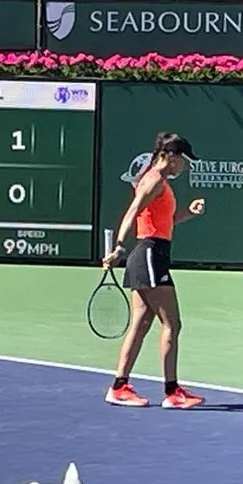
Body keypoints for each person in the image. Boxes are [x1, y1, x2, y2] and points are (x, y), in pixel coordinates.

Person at [101, 133, 207, 409]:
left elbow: (165, 221)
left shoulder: (159, 182)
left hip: (148, 255)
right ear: (169, 156)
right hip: (149, 255)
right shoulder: (154, 180)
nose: (184, 166)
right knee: (172, 323)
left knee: (141, 324)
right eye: (182, 160)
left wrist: (189, 213)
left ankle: (119, 387)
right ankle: (172, 393)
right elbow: (133, 210)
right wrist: (119, 247)